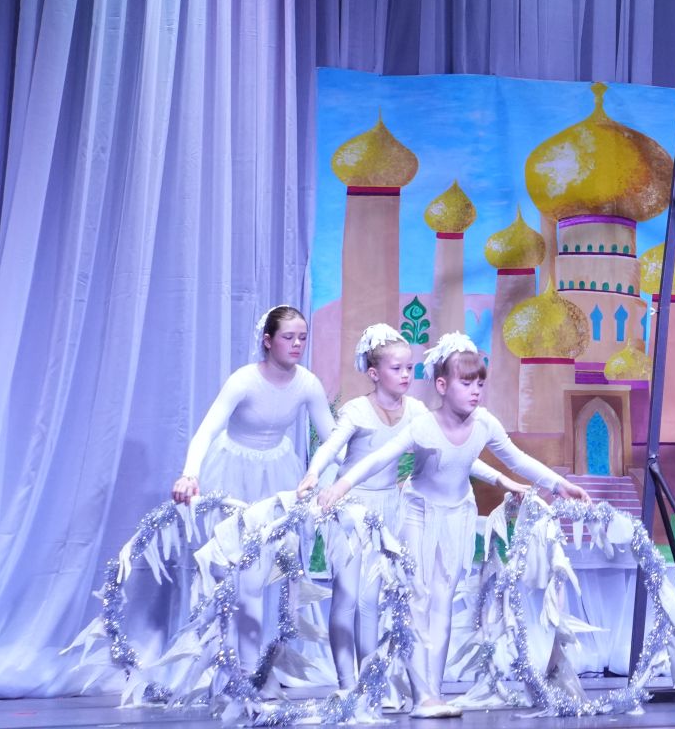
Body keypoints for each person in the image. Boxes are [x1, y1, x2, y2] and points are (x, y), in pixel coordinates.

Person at [321, 335, 589, 718]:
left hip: (457, 515)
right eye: (466, 383)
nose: (476, 390)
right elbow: (378, 458)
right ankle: (420, 694)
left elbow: (517, 458)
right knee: (417, 601)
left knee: (443, 602)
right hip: (418, 514)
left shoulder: (484, 424)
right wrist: (340, 486)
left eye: (480, 382)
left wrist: (559, 485)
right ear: (442, 385)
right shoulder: (423, 426)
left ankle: (434, 690)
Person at [297, 324, 515, 695]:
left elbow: (456, 453)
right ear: (373, 373)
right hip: (351, 506)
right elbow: (331, 447)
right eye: (396, 368)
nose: (405, 375)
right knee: (346, 596)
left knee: (372, 599)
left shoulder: (416, 411)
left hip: (390, 508)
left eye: (409, 368)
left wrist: (499, 478)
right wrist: (315, 473)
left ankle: (370, 687)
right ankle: (346, 683)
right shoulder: (357, 411)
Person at [171, 304, 336, 678]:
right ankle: (224, 665)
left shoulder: (307, 383)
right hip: (233, 470)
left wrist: (344, 478)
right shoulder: (244, 380)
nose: (297, 344)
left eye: (302, 338)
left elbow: (332, 440)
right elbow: (206, 431)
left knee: (271, 572)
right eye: (288, 337)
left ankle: (260, 666)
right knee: (232, 570)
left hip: (278, 473)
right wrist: (189, 474)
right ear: (268, 341)